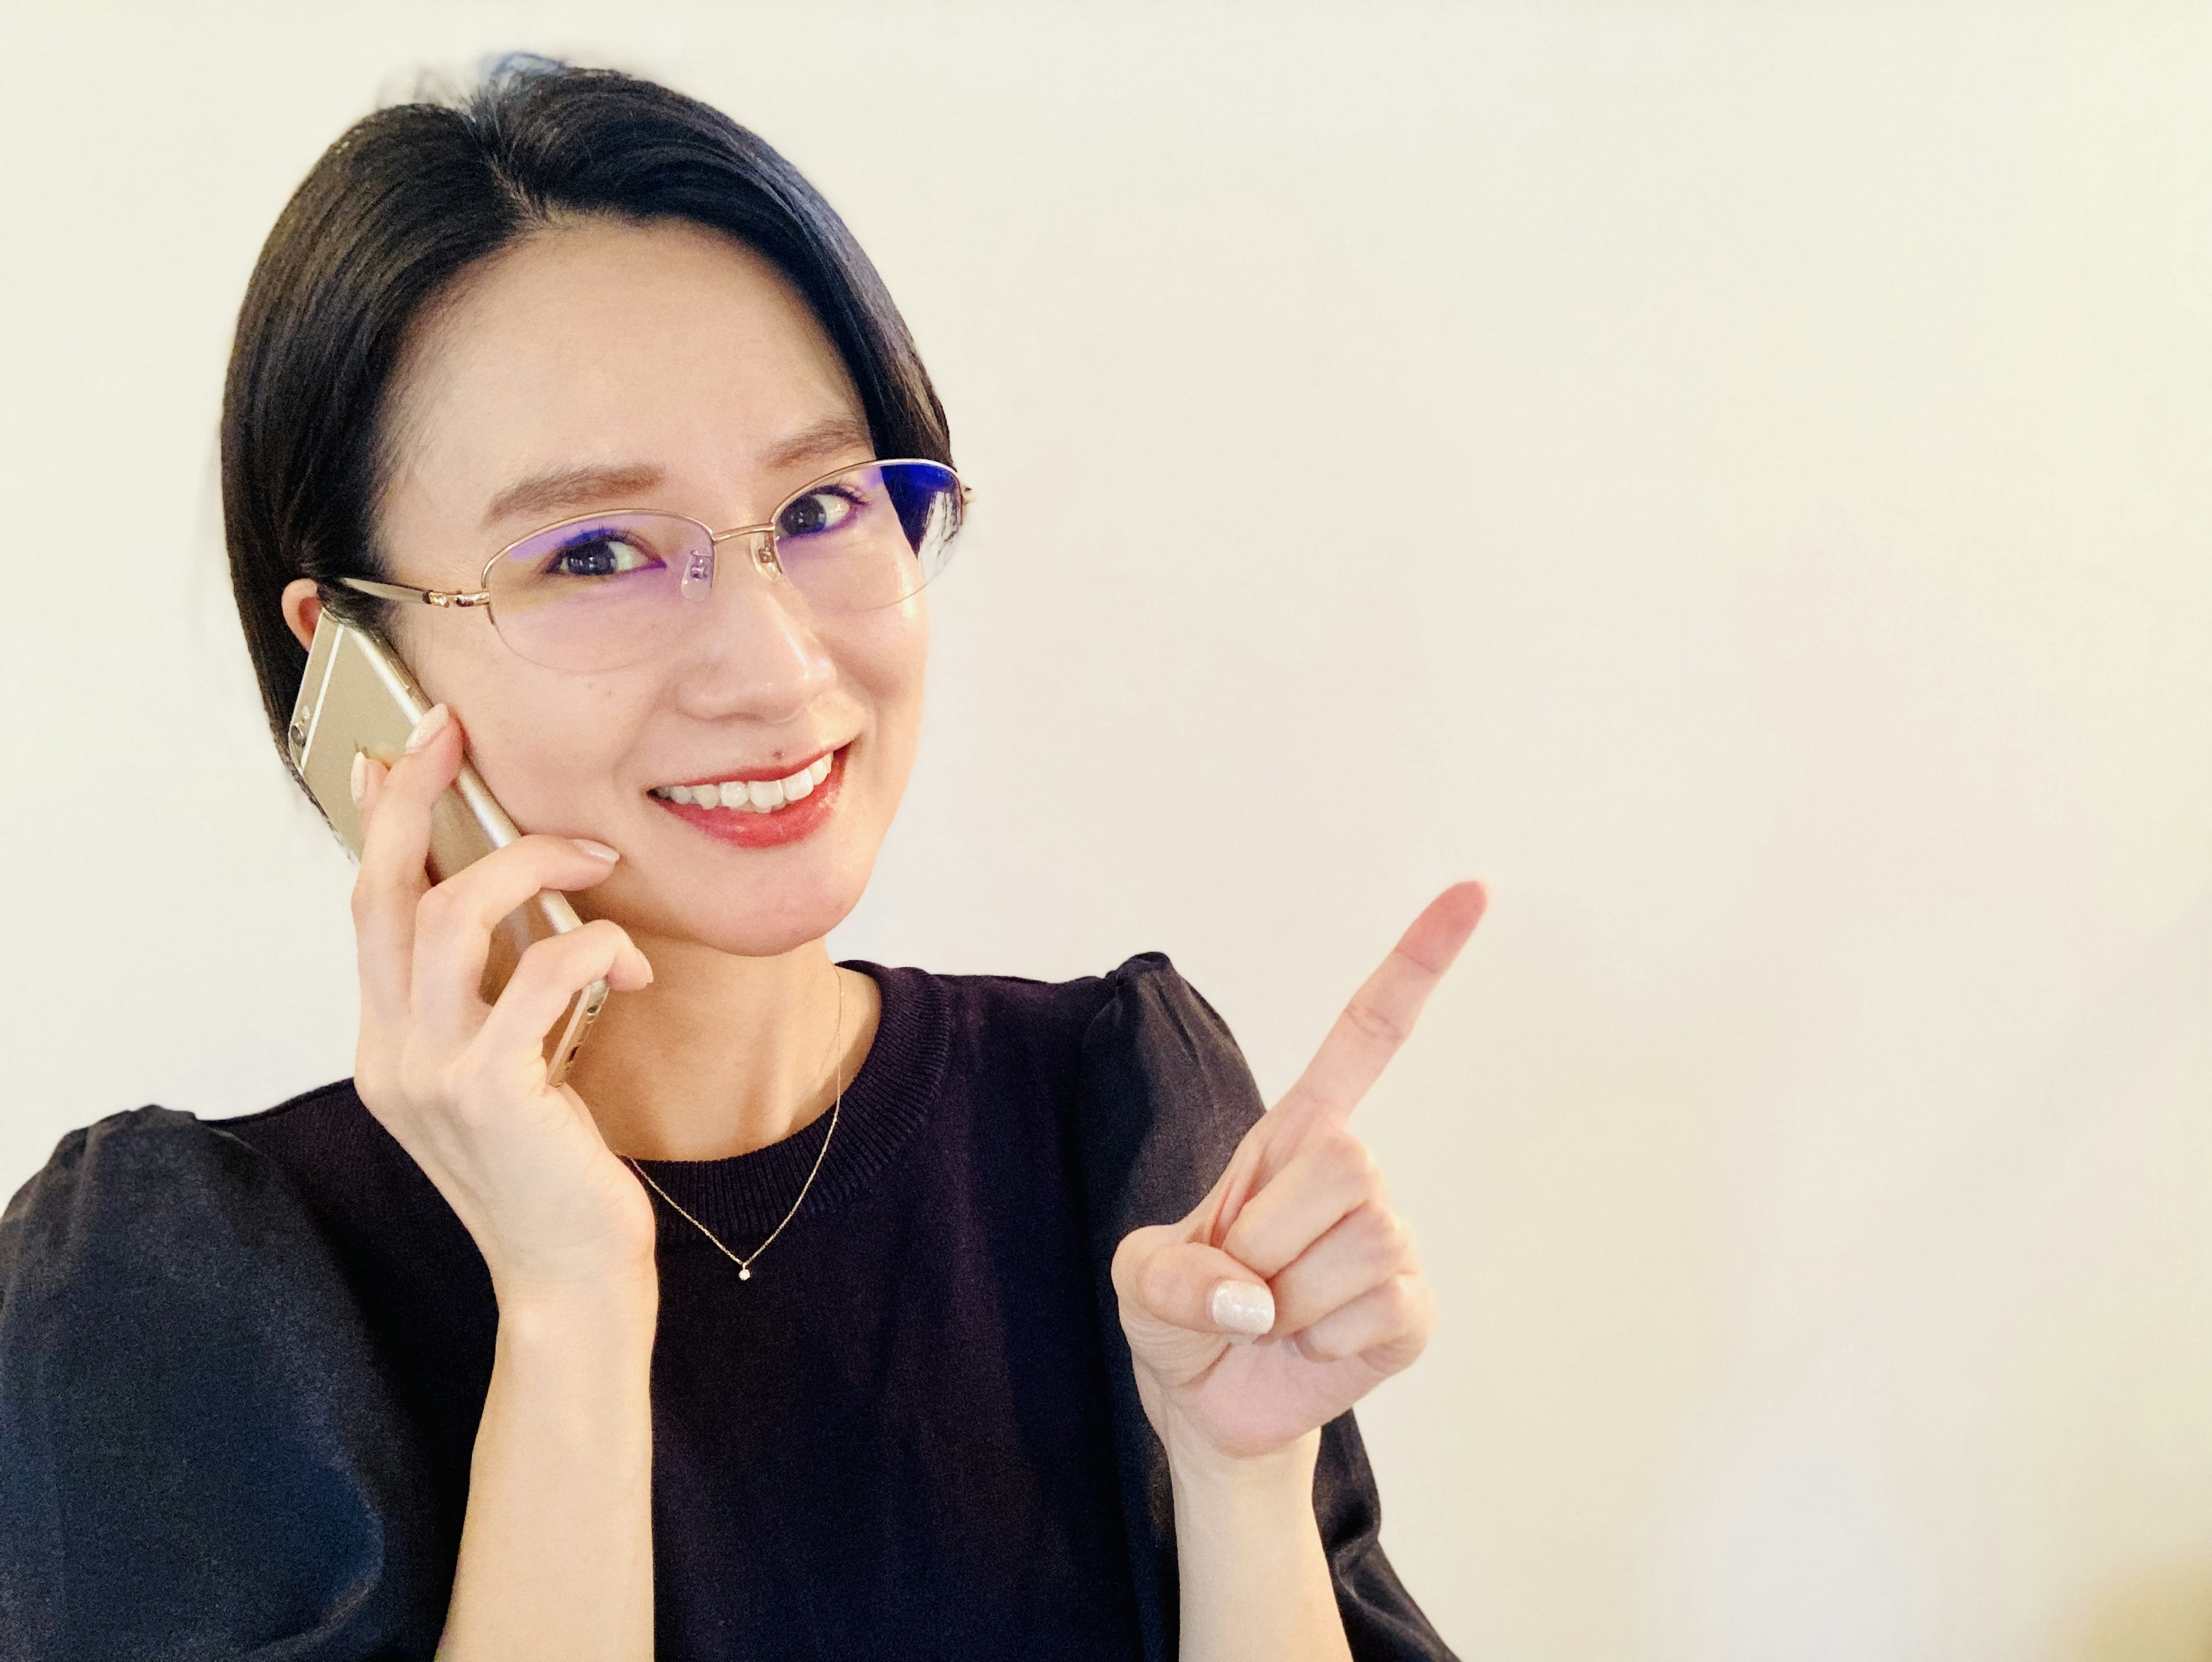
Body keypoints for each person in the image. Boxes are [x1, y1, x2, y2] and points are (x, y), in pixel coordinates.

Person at [0, 58, 1482, 1662]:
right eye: (591, 553)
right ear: (352, 661)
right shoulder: (174, 1305)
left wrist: (1239, 1480)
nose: (776, 666)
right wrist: (568, 1312)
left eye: (826, 502)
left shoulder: (1110, 1118)